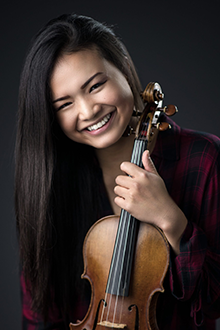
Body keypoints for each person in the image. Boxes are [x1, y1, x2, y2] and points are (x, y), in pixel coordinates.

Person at [15, 13, 220, 330]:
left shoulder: (204, 158)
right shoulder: (53, 181)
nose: (87, 111)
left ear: (123, 66)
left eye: (95, 86)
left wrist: (171, 219)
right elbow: (40, 315)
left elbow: (214, 305)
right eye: (64, 104)